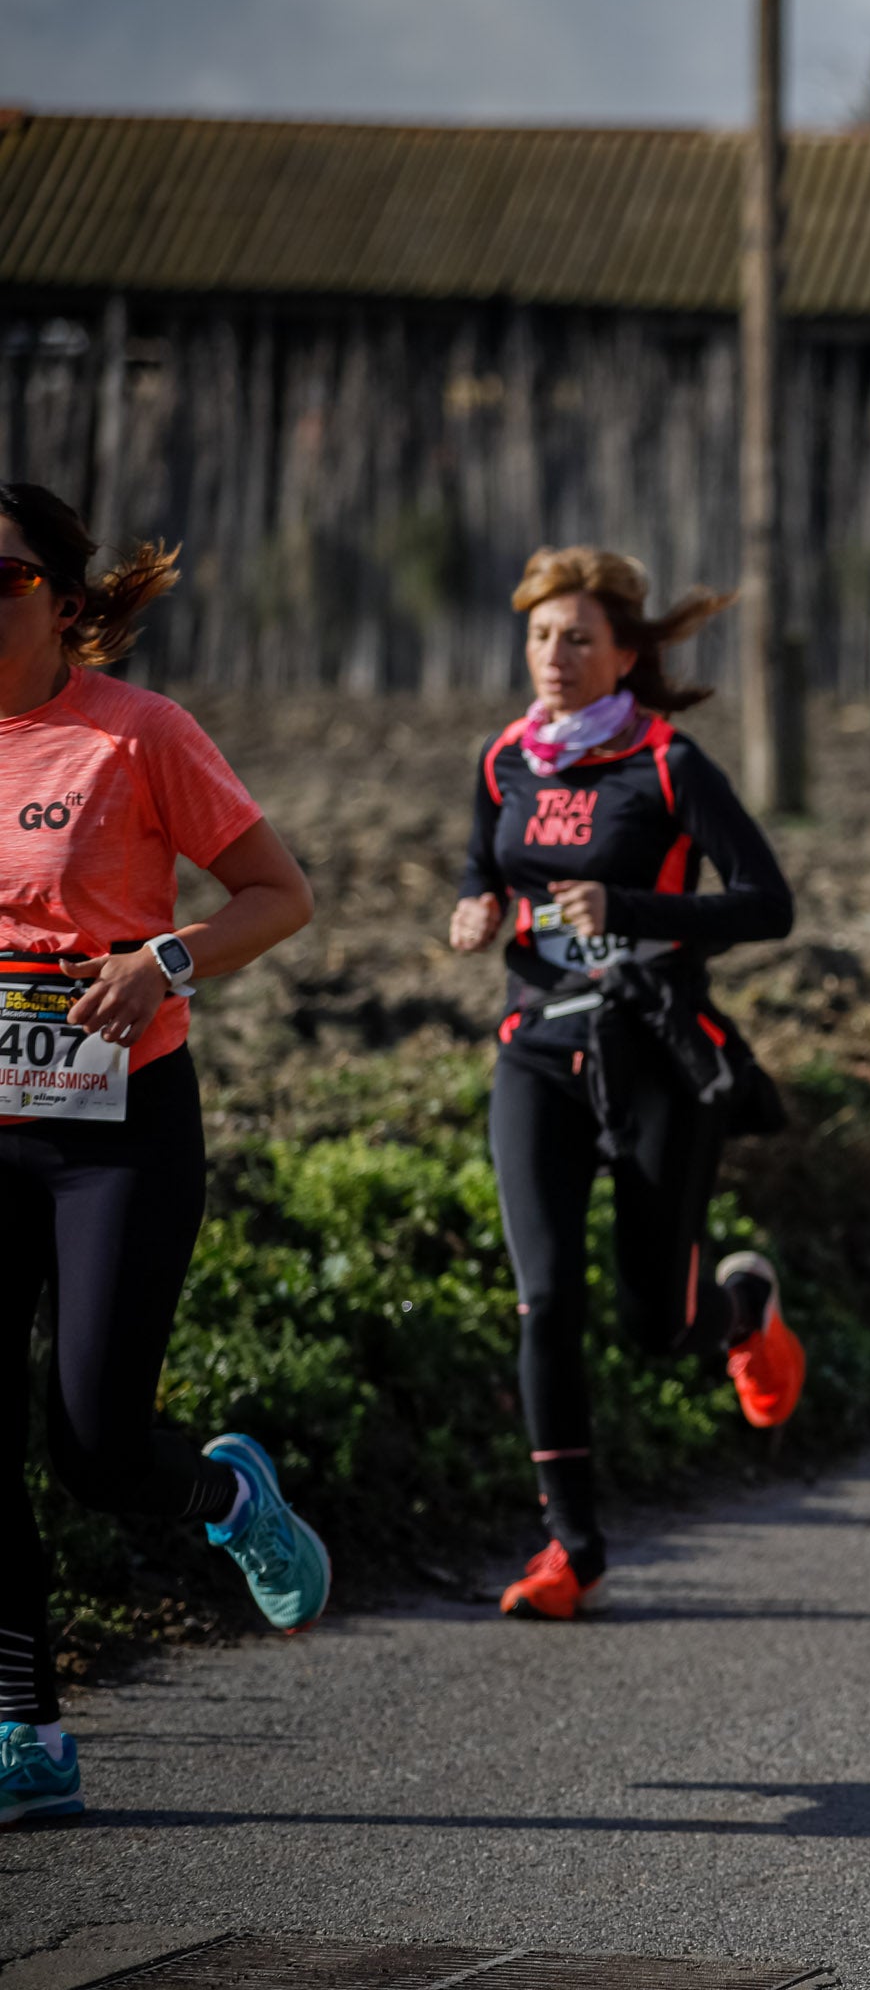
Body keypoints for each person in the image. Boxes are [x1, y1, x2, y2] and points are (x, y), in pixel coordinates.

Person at [0, 482, 323, 1828]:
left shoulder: (138, 738)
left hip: (116, 1125)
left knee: (91, 1445)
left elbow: (279, 896)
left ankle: (226, 1492)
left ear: (64, 606)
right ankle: (26, 1729)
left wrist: (164, 958)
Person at [451, 547, 802, 1621]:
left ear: (626, 655)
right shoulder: (506, 756)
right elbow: (487, 866)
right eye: (540, 637)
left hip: (652, 1051)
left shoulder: (667, 763)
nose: (554, 657)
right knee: (545, 1296)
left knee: (660, 1322)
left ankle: (741, 1305)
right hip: (535, 1051)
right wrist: (476, 907)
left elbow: (766, 903)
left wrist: (633, 909)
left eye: (578, 639)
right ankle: (572, 1546)